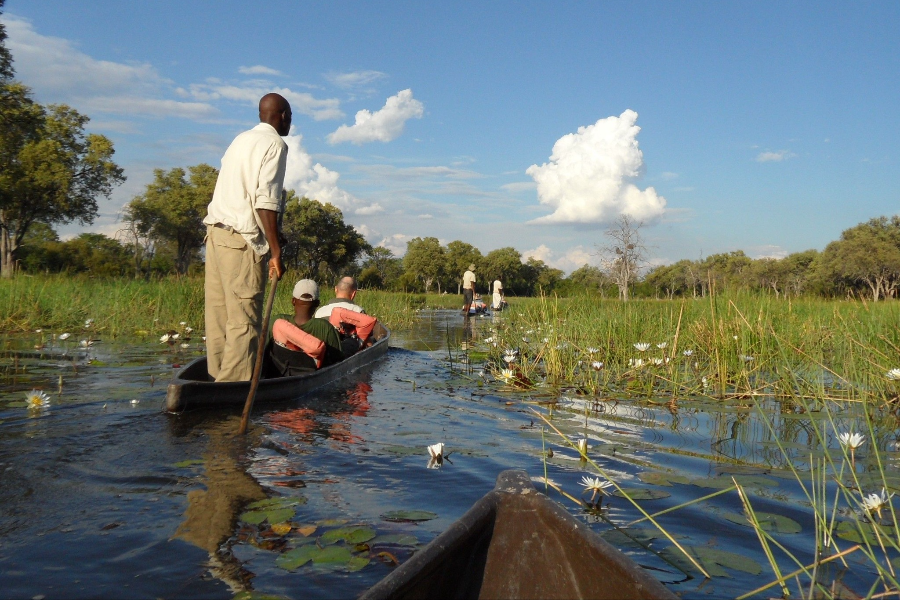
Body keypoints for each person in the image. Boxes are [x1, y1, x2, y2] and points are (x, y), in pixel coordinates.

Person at [203, 93, 291, 381]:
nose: (289, 122)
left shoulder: (239, 140)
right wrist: (275, 251)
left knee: (219, 317)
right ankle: (232, 389)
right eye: (289, 117)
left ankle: (216, 379)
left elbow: (242, 193)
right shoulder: (275, 144)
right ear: (282, 116)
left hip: (215, 235)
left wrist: (277, 237)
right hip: (241, 241)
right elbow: (265, 201)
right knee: (244, 321)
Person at [267, 279, 344, 376]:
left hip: (276, 377)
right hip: (310, 379)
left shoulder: (276, 320)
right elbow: (338, 363)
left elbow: (261, 352)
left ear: (293, 301)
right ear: (317, 303)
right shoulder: (325, 328)